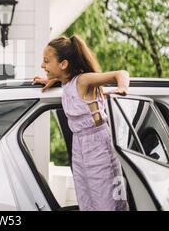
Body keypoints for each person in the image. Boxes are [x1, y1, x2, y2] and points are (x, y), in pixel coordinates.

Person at [33, 35, 129, 211]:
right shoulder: (66, 82)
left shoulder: (83, 81)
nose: (42, 66)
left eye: (46, 61)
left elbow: (120, 73)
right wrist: (51, 80)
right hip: (79, 145)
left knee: (105, 200)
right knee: (85, 197)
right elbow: (65, 82)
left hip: (98, 144)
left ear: (63, 64)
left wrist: (122, 87)